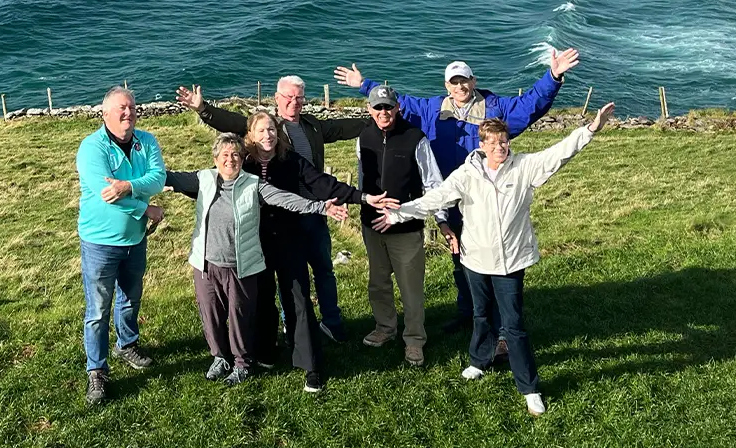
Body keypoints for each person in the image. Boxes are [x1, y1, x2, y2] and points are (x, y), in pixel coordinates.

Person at [384, 102, 616, 416]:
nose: (499, 147)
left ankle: (529, 388)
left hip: (510, 263)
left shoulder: (524, 167)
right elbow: (435, 199)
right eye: (492, 142)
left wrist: (590, 129)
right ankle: (479, 360)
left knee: (514, 325)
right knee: (481, 315)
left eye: (504, 141)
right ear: (482, 145)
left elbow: (560, 153)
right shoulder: (467, 174)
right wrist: (398, 214)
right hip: (475, 260)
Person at [334, 48, 580, 331]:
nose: (460, 86)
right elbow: (396, 103)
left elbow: (530, 105)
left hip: (487, 198)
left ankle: (502, 324)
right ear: (446, 86)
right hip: (452, 197)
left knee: (494, 257)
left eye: (464, 80)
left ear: (473, 81)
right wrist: (364, 84)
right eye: (454, 82)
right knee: (460, 256)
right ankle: (470, 314)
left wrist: (553, 77)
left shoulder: (494, 108)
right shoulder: (433, 110)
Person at [176, 76, 364, 342]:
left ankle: (332, 324)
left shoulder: (312, 126)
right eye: (288, 97)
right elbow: (230, 122)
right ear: (277, 98)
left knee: (323, 270)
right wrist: (203, 109)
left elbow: (342, 128)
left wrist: (375, 119)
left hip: (314, 212)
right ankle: (288, 328)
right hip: (276, 219)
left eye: (299, 97)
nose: (294, 102)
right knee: (284, 278)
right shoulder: (266, 127)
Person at [165, 133, 349, 387]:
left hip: (239, 265)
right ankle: (220, 357)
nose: (230, 160)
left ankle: (242, 363)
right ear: (215, 159)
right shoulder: (203, 179)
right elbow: (168, 177)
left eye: (236, 155)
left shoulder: (253, 185)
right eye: (225, 155)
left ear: (243, 159)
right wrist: (132, 182)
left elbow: (285, 199)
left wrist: (319, 207)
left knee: (239, 316)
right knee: (211, 315)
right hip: (206, 264)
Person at [239, 109, 399, 393]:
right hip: (255, 240)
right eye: (261, 130)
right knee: (261, 297)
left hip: (289, 238)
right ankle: (266, 351)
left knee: (298, 299)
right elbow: (216, 181)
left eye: (272, 129)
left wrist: (363, 197)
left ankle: (311, 365)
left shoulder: (290, 160)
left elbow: (322, 183)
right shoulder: (244, 162)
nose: (268, 135)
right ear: (250, 135)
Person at [75, 86, 167, 406]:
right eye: (121, 108)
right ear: (105, 114)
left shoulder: (147, 141)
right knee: (98, 310)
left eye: (132, 107)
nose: (129, 113)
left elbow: (158, 179)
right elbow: (106, 195)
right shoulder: (91, 148)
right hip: (100, 243)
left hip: (135, 240)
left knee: (130, 298)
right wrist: (145, 208)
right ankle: (96, 370)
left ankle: (126, 344)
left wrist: (128, 185)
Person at [356, 85, 452, 367]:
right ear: (369, 110)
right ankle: (385, 327)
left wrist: (442, 220)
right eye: (378, 107)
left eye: (388, 106)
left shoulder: (415, 138)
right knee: (378, 283)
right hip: (372, 225)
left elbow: (433, 183)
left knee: (411, 288)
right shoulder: (363, 136)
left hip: (406, 228)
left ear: (397, 108)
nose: (383, 112)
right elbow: (362, 177)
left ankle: (414, 339)